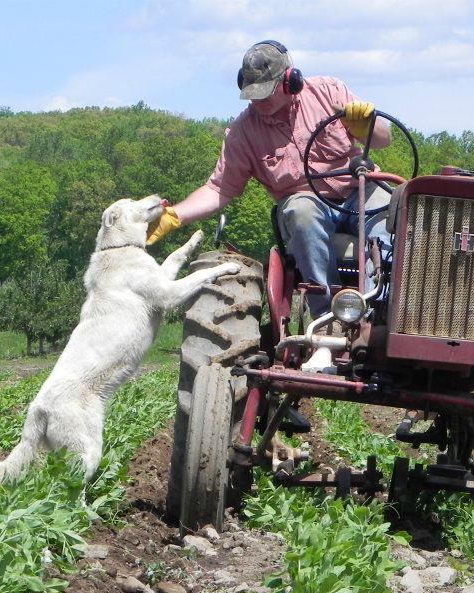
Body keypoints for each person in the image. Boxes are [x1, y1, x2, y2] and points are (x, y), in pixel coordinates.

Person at [146, 40, 392, 370]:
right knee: (300, 211)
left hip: (359, 189)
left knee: (401, 213)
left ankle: (387, 320)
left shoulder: (328, 92)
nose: (258, 101)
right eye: (252, 92)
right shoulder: (244, 132)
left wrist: (366, 126)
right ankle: (327, 329)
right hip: (309, 201)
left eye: (266, 91)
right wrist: (174, 215)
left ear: (290, 82)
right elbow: (219, 188)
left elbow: (383, 139)